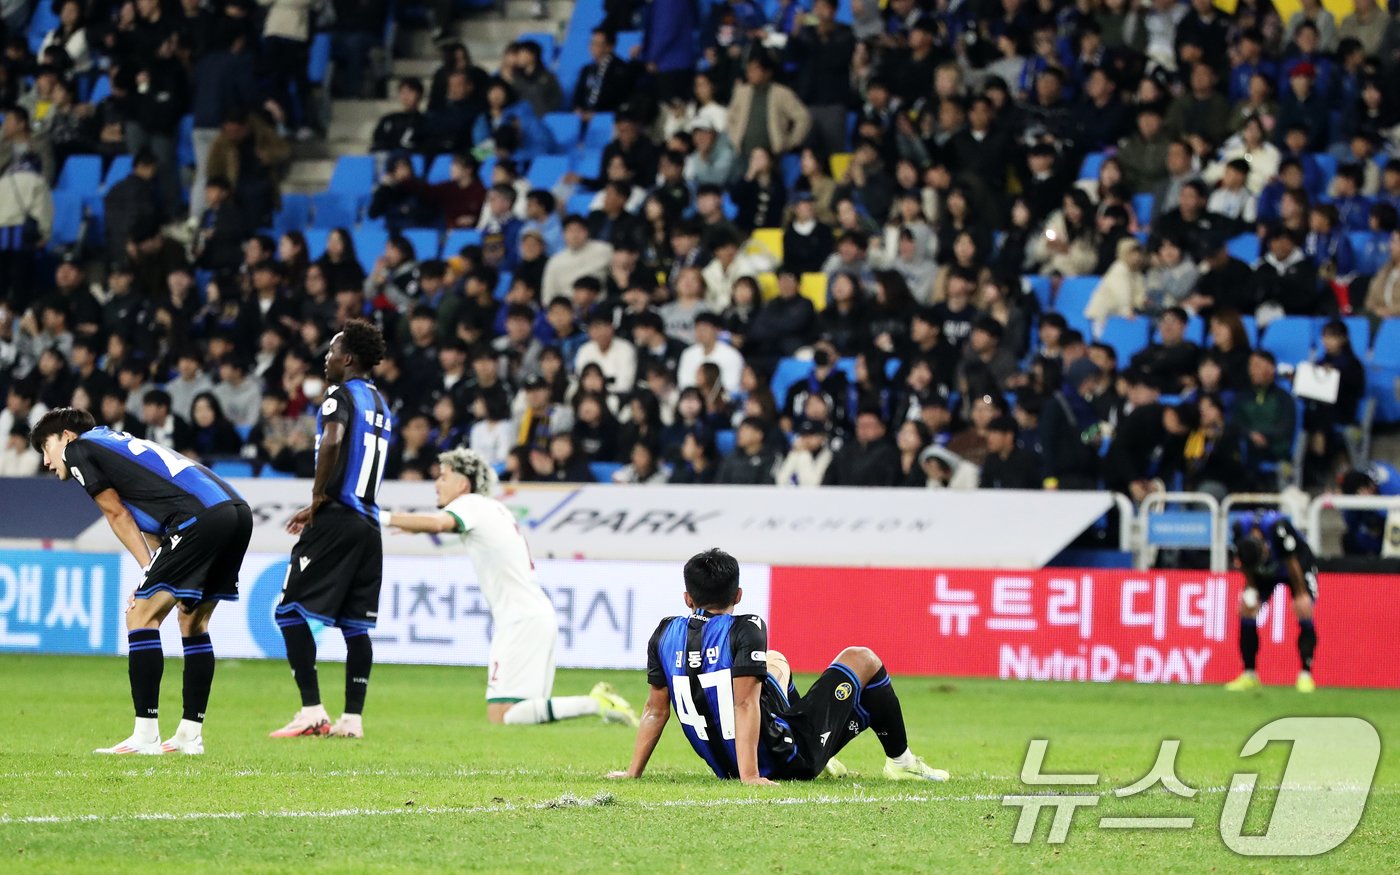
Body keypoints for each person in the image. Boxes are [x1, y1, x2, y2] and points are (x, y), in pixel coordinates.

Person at [608, 548, 948, 783]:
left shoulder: (665, 631)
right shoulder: (747, 626)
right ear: (738, 595)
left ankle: (824, 754)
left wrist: (632, 773)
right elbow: (743, 704)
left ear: (688, 598)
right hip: (784, 762)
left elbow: (655, 709)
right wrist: (751, 777)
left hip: (723, 764)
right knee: (863, 659)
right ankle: (902, 763)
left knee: (774, 663)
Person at [30, 406, 253, 755]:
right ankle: (189, 736)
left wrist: (147, 570)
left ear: (67, 437)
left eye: (46, 447)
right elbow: (152, 520)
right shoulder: (115, 443)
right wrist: (154, 568)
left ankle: (145, 736)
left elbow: (115, 513)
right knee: (192, 620)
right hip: (235, 512)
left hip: (199, 519)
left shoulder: (80, 450)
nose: (45, 461)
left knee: (140, 616)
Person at [383, 448, 640, 726]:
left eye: (444, 477)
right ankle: (597, 704)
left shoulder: (470, 504)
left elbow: (438, 524)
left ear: (463, 484)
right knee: (519, 713)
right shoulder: (491, 508)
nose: (437, 483)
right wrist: (418, 526)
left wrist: (380, 516)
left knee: (503, 716)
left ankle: (596, 703)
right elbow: (440, 526)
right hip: (530, 616)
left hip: (521, 621)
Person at [270, 320, 394, 740]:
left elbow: (334, 440)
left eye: (332, 349)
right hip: (368, 524)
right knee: (355, 625)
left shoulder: (339, 396)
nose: (326, 357)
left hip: (339, 517)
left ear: (348, 358)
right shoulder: (380, 402)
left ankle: (311, 711)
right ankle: (352, 720)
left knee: (288, 611)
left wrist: (319, 497)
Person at [1224, 512, 1320, 693]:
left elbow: (1292, 561)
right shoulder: (1239, 529)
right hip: (1266, 570)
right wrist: (1251, 588)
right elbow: (1245, 565)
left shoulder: (1278, 528)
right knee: (1247, 610)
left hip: (1298, 564)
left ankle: (1306, 675)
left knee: (1304, 612)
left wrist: (1300, 594)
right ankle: (1249, 674)